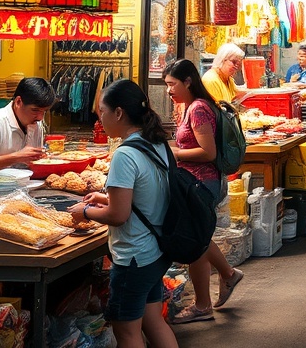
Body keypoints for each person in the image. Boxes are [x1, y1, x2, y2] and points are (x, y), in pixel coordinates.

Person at [67, 79, 178, 348]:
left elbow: (118, 215)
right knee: (153, 321)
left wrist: (85, 211)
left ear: (119, 113)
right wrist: (106, 197)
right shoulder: (157, 143)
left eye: (102, 111)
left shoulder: (125, 155)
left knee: (127, 333)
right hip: (156, 251)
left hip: (134, 258)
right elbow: (148, 194)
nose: (99, 118)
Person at [163, 60, 244, 324]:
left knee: (194, 241)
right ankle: (228, 276)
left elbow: (207, 152)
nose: (168, 90)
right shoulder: (190, 106)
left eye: (171, 84)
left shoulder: (198, 108)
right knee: (198, 238)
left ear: (187, 82)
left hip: (201, 184)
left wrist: (173, 153)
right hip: (195, 183)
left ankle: (202, 305)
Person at [0, 77, 53, 173]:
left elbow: (33, 161)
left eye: (44, 111)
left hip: (25, 183)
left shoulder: (37, 123)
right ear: (18, 102)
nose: (40, 117)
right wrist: (15, 157)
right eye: (35, 110)